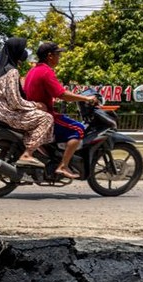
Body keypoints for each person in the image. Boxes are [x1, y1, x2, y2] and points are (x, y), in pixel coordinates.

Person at [23, 41, 99, 179]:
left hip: (33, 113)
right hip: (44, 116)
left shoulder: (33, 70)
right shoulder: (46, 72)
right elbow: (62, 94)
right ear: (50, 56)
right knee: (78, 129)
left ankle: (55, 157)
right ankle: (63, 166)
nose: (59, 57)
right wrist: (86, 99)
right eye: (58, 54)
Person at [0, 38, 53, 167]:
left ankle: (27, 147)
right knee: (46, 118)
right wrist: (35, 105)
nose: (24, 53)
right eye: (22, 50)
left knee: (34, 116)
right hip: (5, 112)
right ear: (16, 52)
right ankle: (28, 153)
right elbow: (15, 102)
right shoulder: (12, 72)